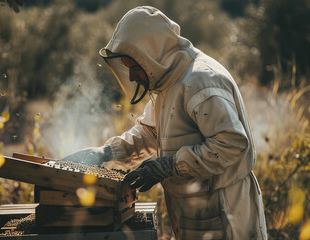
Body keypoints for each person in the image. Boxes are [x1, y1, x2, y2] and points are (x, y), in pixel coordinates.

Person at [62, 6, 267, 240]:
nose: (131, 77)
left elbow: (231, 143)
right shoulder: (169, 80)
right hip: (193, 209)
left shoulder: (201, 81)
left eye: (135, 67)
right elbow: (150, 132)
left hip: (225, 211)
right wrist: (107, 152)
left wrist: (170, 166)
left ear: (152, 54)